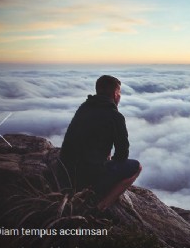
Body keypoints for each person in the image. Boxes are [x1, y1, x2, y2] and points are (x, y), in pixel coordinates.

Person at [60, 75, 141, 211]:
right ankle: (100, 206)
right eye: (119, 93)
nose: (119, 96)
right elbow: (122, 154)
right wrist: (108, 164)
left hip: (66, 174)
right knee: (137, 167)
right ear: (115, 95)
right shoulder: (116, 117)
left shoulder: (83, 108)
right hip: (89, 177)